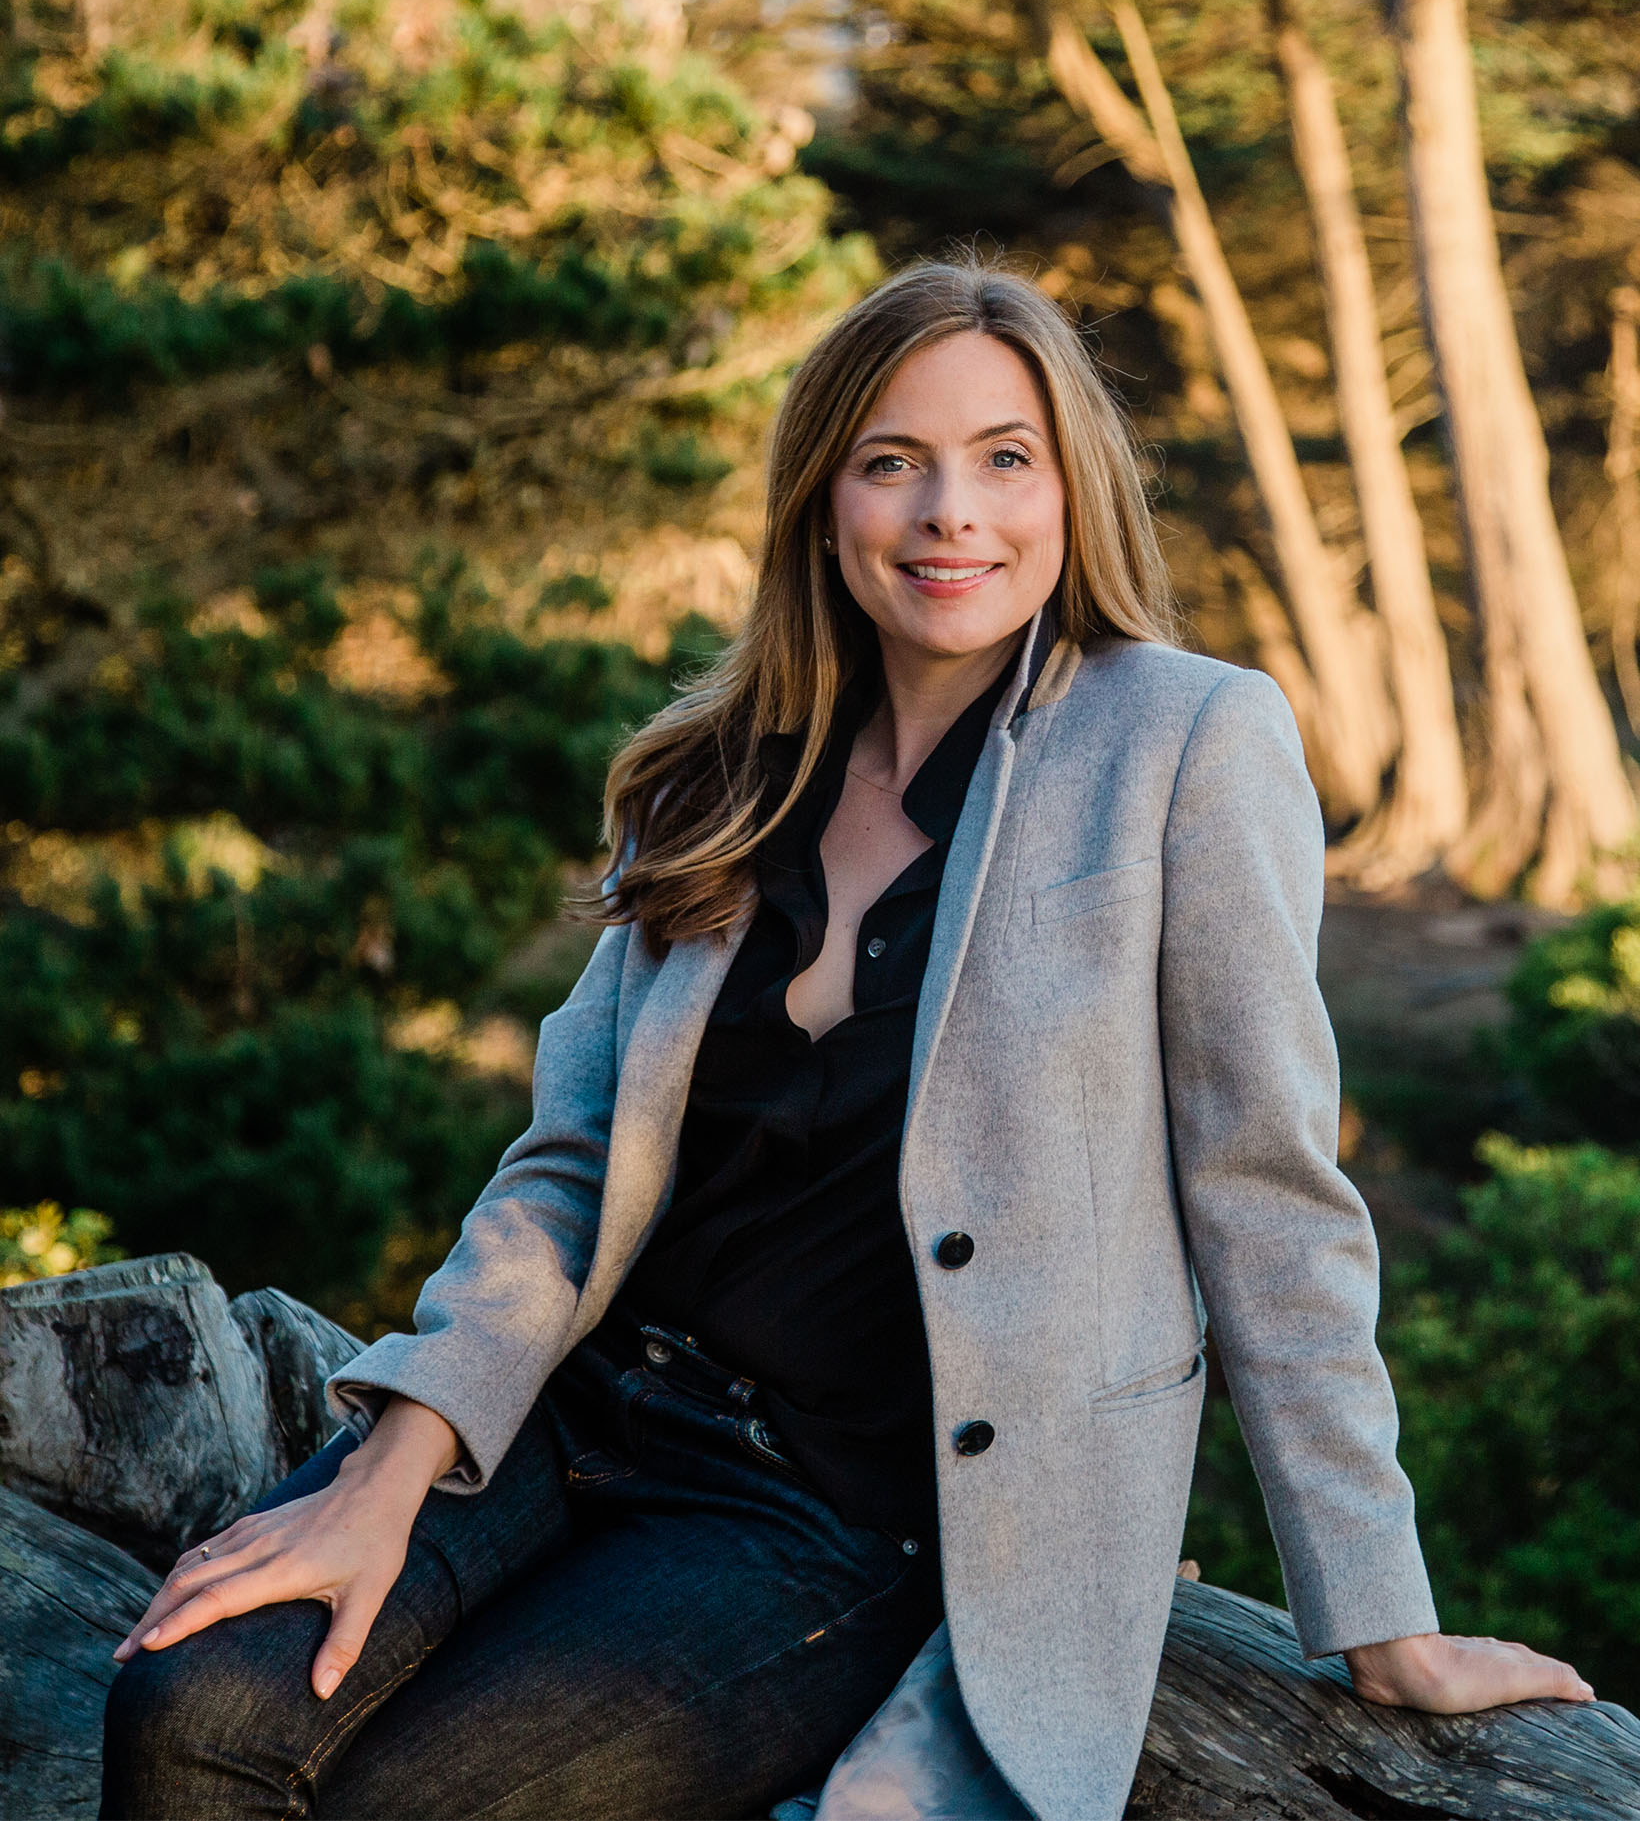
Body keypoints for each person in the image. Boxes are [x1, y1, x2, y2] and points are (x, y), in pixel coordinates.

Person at [99, 258, 1593, 1821]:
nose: (953, 512)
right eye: (894, 462)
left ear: (1073, 487)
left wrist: (1383, 1614)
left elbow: (1267, 1195)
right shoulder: (719, 771)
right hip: (570, 1414)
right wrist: (393, 1470)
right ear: (826, 504)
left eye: (1005, 458)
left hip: (837, 1513)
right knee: (185, 1703)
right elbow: (570, 1161)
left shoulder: (1187, 743)